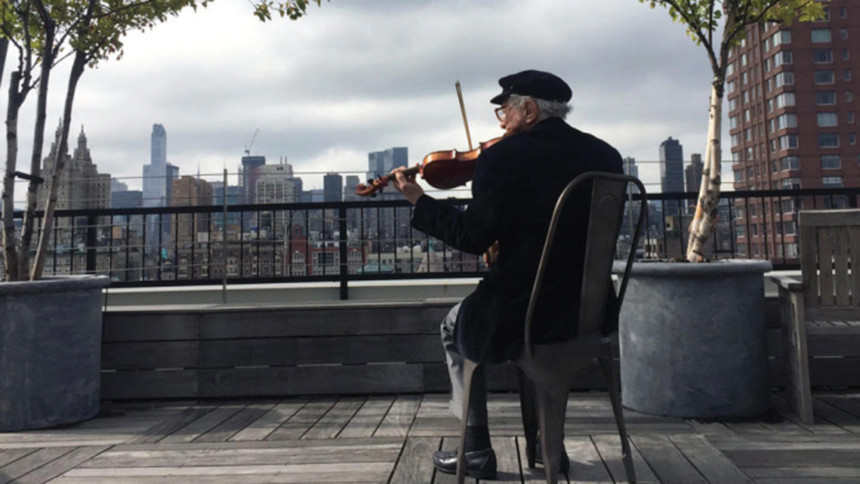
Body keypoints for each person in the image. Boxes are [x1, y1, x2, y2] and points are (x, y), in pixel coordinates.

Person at [390, 69, 623, 479]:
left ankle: (476, 448)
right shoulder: (606, 156)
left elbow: (471, 236)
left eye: (505, 112)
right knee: (530, 331)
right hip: (592, 313)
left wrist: (419, 199)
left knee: (452, 326)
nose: (502, 123)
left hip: (525, 313)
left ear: (529, 110)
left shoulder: (504, 156)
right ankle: (545, 445)